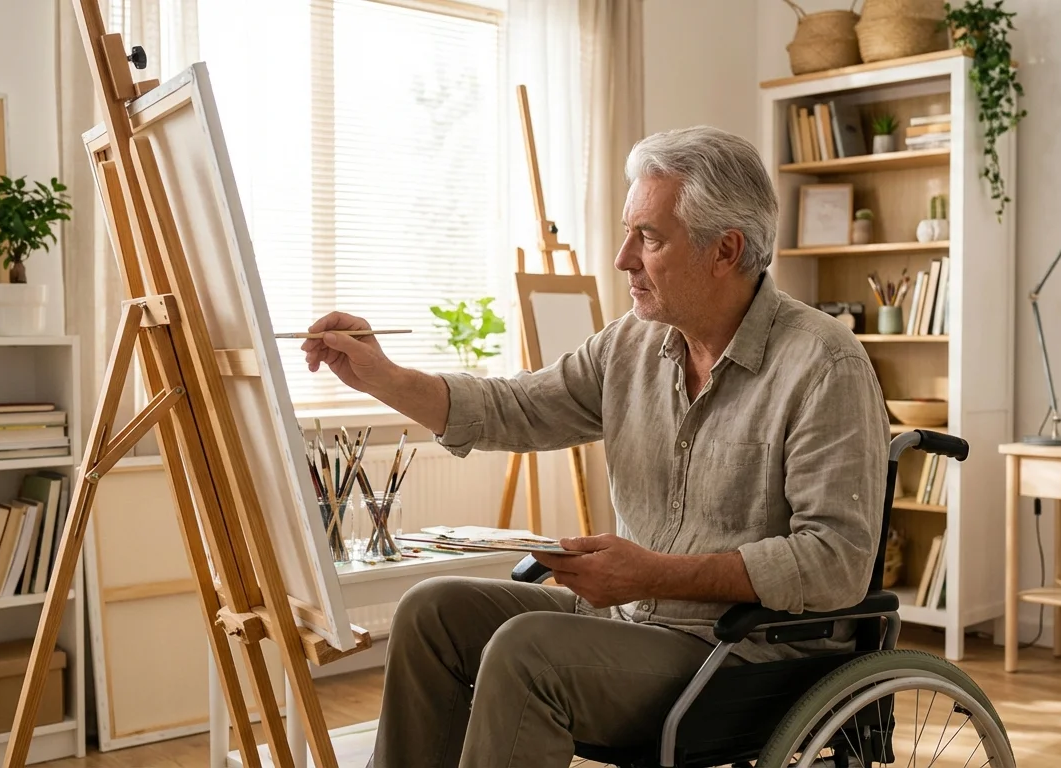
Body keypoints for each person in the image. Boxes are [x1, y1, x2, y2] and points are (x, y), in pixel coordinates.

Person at [301, 125, 889, 767]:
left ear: (725, 250)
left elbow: (837, 561)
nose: (622, 259)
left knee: (527, 650)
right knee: (431, 611)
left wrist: (654, 573)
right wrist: (382, 376)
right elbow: (515, 408)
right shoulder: (629, 347)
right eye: (629, 232)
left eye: (649, 237)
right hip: (634, 626)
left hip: (744, 654)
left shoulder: (824, 363)